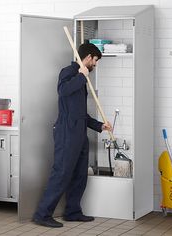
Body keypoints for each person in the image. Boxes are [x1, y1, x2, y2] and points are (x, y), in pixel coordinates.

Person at [33, 43, 112, 228]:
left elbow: (81, 114)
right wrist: (81, 76)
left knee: (79, 175)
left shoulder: (82, 78)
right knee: (61, 174)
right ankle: (42, 214)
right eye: (95, 61)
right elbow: (62, 91)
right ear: (88, 57)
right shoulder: (68, 72)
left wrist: (101, 126)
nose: (96, 65)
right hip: (66, 134)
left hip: (79, 135)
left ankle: (73, 212)